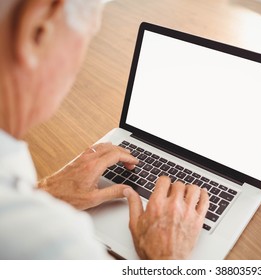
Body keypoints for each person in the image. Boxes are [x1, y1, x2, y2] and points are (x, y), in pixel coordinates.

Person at [0, 0, 209, 259]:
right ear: (38, 28)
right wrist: (165, 257)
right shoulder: (55, 245)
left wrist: (45, 193)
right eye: (90, 33)